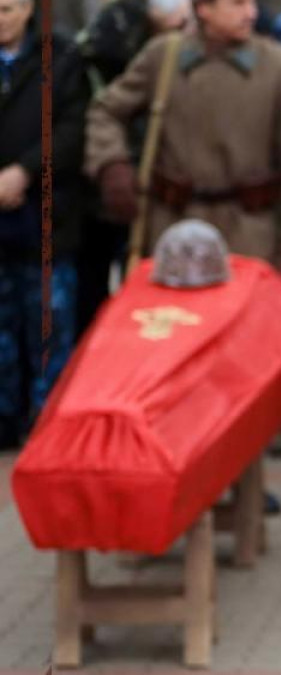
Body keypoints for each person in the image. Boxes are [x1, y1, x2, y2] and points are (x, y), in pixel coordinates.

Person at [86, 0, 281, 513]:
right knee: (168, 356)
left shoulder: (280, 66)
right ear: (203, 9)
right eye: (235, 3)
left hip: (249, 234)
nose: (250, 12)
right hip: (173, 233)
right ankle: (167, 471)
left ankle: (241, 474)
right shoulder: (164, 55)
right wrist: (112, 165)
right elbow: (105, 109)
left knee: (240, 363)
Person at [0, 0, 89, 450]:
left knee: (48, 327)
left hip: (47, 219)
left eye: (7, 8)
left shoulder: (62, 58)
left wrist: (25, 171)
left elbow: (74, 129)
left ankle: (50, 426)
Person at [73, 0, 191, 334]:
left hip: (156, 192)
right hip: (109, 188)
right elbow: (105, 109)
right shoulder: (114, 37)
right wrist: (112, 164)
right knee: (100, 291)